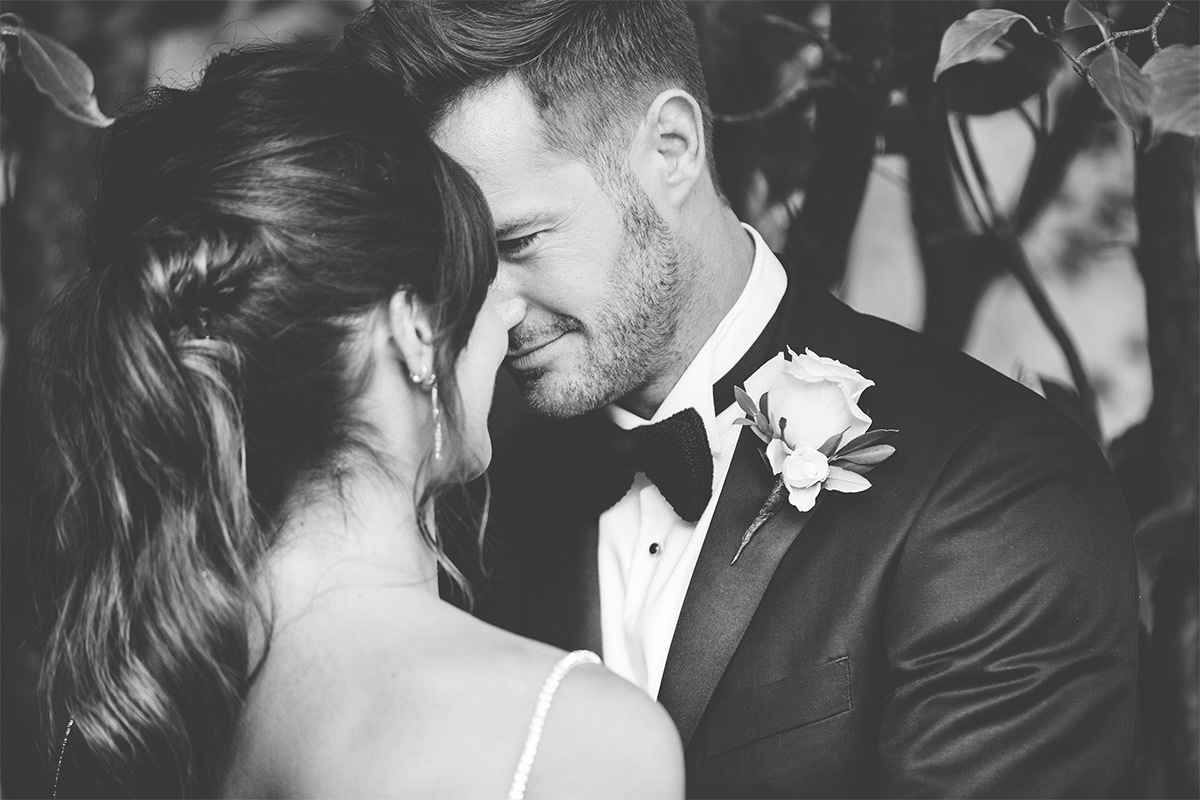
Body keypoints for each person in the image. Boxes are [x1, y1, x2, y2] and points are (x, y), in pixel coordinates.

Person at [339, 2, 1141, 797]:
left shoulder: (997, 490)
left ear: (673, 147)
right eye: (465, 265)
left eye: (518, 243)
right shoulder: (473, 504)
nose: (495, 310)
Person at [32, 46, 682, 799]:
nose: (507, 318)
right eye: (480, 275)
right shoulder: (570, 739)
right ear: (413, 330)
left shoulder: (116, 720)